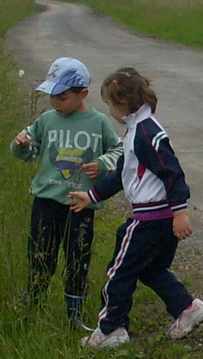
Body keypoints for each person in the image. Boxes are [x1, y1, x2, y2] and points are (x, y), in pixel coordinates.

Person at [68, 67, 203, 349]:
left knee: (118, 272)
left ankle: (111, 329)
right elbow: (123, 173)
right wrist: (91, 194)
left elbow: (172, 171)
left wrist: (180, 212)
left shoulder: (147, 133)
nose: (108, 109)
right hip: (159, 217)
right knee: (149, 268)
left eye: (109, 103)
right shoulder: (136, 130)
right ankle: (187, 308)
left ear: (123, 103)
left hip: (150, 219)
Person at [12, 56, 123, 326]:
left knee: (77, 258)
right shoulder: (46, 120)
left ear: (83, 93)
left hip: (80, 205)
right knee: (40, 253)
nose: (55, 103)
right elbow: (29, 152)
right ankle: (33, 301)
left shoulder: (97, 123)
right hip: (45, 201)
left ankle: (74, 312)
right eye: (52, 96)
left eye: (62, 97)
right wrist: (22, 144)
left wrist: (102, 164)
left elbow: (120, 151)